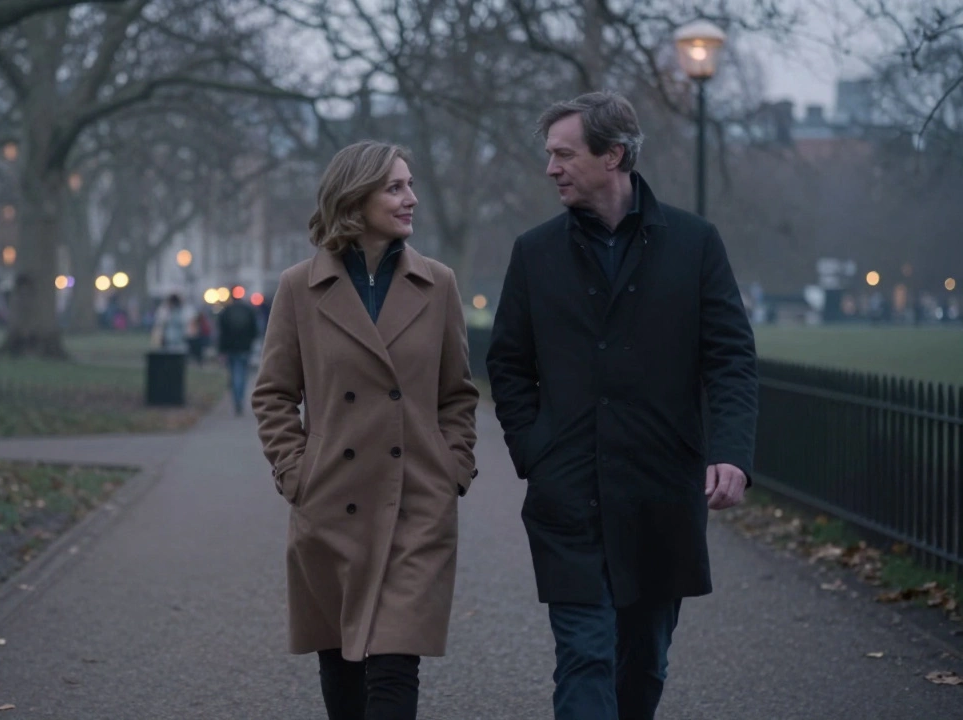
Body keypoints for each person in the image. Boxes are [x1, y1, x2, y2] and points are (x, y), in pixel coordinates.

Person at [485, 91, 758, 720]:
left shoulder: (694, 244)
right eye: (549, 154)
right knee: (583, 655)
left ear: (613, 155)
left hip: (660, 493)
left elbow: (731, 360)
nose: (550, 167)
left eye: (563, 153)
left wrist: (731, 453)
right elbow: (507, 363)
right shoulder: (535, 252)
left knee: (645, 664)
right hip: (568, 494)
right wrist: (535, 451)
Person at [251, 140, 479, 720]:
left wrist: (453, 467)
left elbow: (457, 394)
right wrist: (295, 472)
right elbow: (274, 393)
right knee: (344, 669)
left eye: (411, 185)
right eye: (395, 187)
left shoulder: (439, 284)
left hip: (417, 503)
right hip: (332, 502)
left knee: (396, 664)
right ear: (355, 198)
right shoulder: (300, 288)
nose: (412, 199)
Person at [216, 293, 259, 415]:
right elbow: (255, 330)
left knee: (234, 373)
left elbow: (222, 333)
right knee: (242, 374)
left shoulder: (226, 311)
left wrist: (221, 351)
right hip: (245, 348)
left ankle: (237, 399)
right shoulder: (248, 310)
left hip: (231, 348)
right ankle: (240, 398)